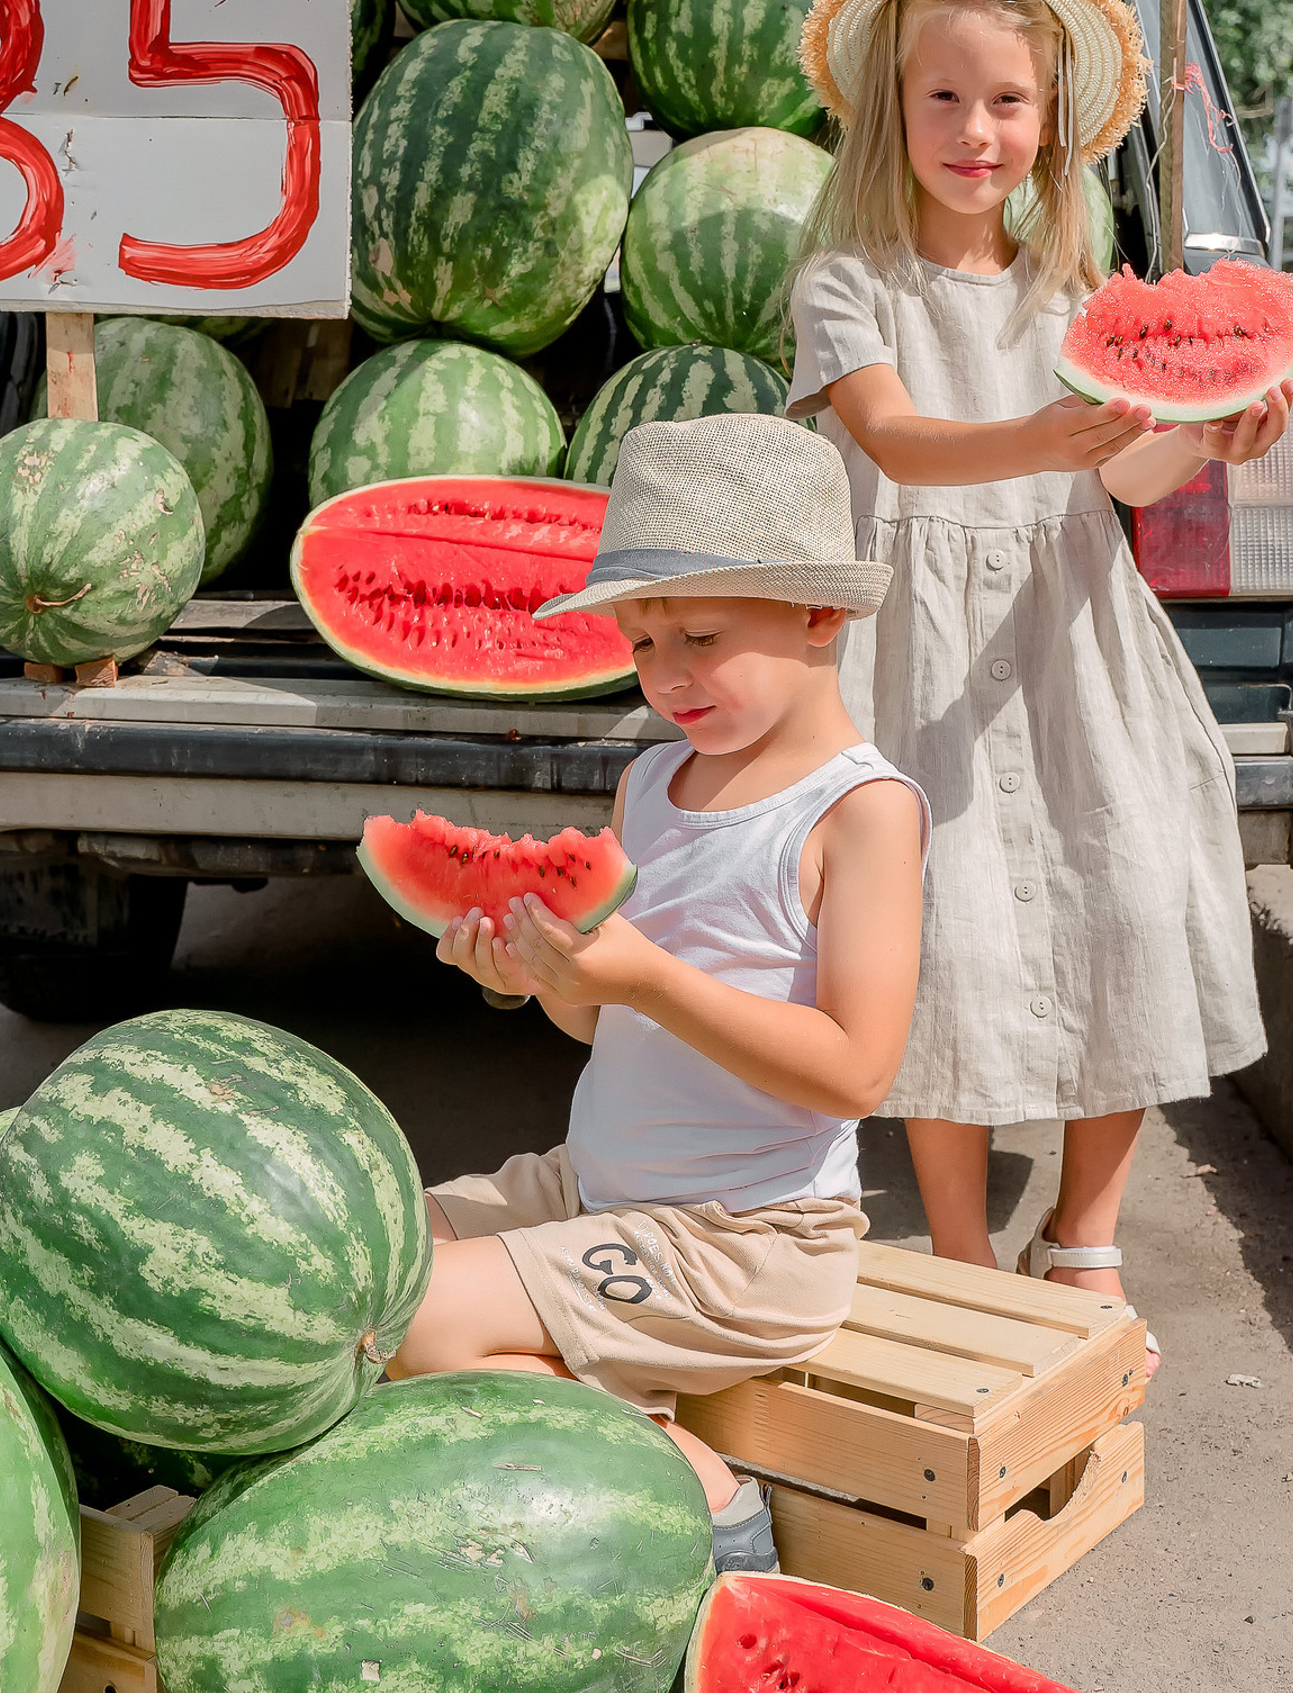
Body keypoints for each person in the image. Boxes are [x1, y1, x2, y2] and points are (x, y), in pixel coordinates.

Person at [785, 0, 1293, 1377]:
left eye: (1007, 100)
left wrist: (1206, 436)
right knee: (940, 939)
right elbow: (896, 438)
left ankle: (1085, 1237)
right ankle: (960, 1252)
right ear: (892, 110)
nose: (975, 129)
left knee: (1122, 900)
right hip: (918, 638)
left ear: (1050, 121)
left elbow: (1121, 473)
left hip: (1072, 630)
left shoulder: (1078, 296)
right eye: (943, 96)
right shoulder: (848, 281)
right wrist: (1046, 433)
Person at [391, 414, 929, 1575]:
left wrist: (650, 977)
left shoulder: (861, 812)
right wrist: (539, 977)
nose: (666, 674)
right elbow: (600, 1018)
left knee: (410, 1321)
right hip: (594, 1189)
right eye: (640, 642)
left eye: (700, 636)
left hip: (746, 1241)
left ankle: (707, 1500)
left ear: (818, 613)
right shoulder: (649, 782)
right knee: (354, 1253)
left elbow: (857, 1070)